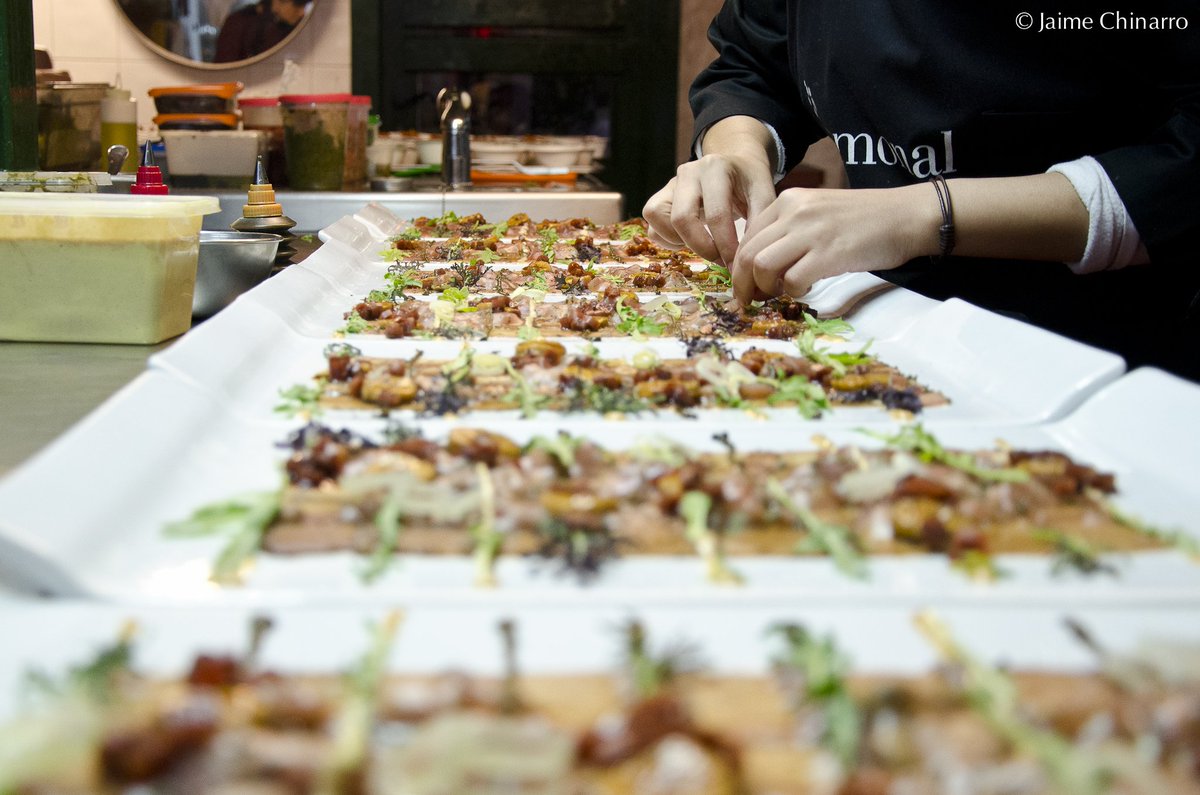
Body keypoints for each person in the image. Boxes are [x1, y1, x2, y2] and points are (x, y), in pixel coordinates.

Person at [645, 1, 1200, 379]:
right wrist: (738, 152)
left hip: (1104, 349)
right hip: (884, 325)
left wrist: (921, 213)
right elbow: (752, 66)